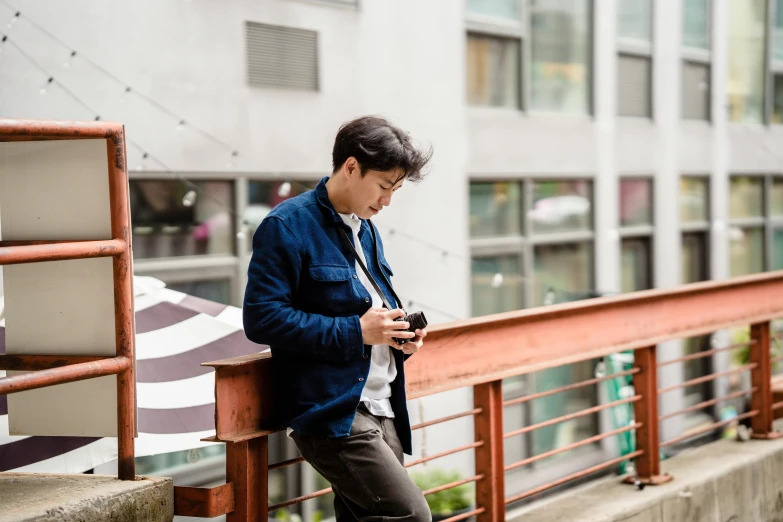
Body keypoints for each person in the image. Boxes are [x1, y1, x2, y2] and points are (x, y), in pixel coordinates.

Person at [243, 115, 433, 522]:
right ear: (351, 167)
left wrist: (395, 336)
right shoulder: (286, 226)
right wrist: (358, 331)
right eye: (384, 186)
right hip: (334, 412)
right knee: (411, 515)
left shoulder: (366, 229)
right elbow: (261, 319)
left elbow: (367, 309)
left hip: (383, 405)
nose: (387, 201)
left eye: (395, 189)